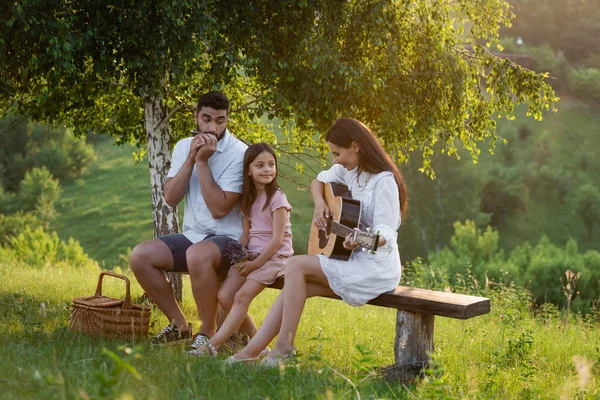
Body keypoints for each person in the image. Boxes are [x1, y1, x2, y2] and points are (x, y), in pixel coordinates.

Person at [227, 117, 408, 365]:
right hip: (354, 260)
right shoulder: (350, 172)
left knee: (295, 265)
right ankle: (252, 351)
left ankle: (283, 348)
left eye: (337, 153)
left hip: (376, 267)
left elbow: (385, 237)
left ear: (355, 146)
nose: (335, 160)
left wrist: (359, 240)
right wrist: (320, 204)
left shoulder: (383, 181)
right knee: (296, 285)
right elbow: (319, 180)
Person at [130, 90, 253, 348]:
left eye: (220, 120)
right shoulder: (184, 146)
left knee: (197, 255)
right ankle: (180, 325)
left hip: (229, 240)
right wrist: (190, 158)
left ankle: (207, 333)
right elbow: (171, 198)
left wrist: (203, 163)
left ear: (227, 119)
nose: (213, 127)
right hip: (194, 235)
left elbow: (219, 209)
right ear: (196, 117)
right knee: (141, 256)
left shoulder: (240, 153)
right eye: (206, 119)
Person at [189, 143, 293, 357]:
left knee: (242, 296)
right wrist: (240, 256)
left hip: (274, 257)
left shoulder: (278, 199)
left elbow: (276, 240)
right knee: (226, 296)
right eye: (260, 165)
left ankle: (212, 347)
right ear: (249, 170)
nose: (267, 170)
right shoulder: (247, 199)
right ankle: (259, 342)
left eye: (271, 165)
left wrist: (255, 264)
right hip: (252, 254)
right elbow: (246, 235)